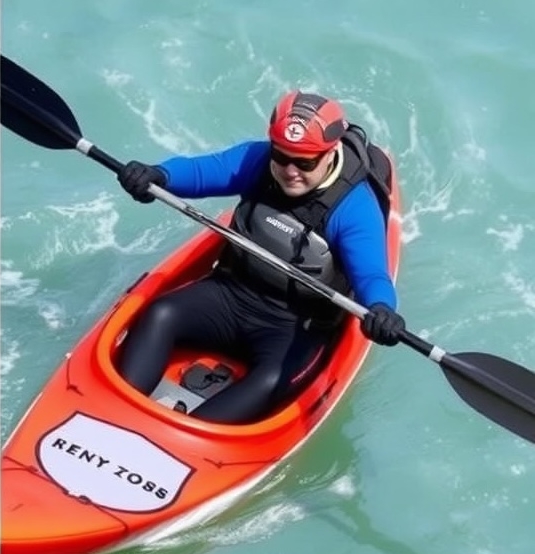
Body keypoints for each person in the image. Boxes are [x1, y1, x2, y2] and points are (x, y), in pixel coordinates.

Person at [114, 90, 406, 424]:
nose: (290, 171)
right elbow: (201, 171)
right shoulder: (259, 160)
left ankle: (196, 433)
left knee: (270, 382)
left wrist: (382, 309)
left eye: (305, 162)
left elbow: (371, 276)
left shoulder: (355, 208)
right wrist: (156, 175)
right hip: (230, 293)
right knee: (160, 313)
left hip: (294, 326)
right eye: (281, 157)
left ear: (331, 152)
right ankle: (118, 411)